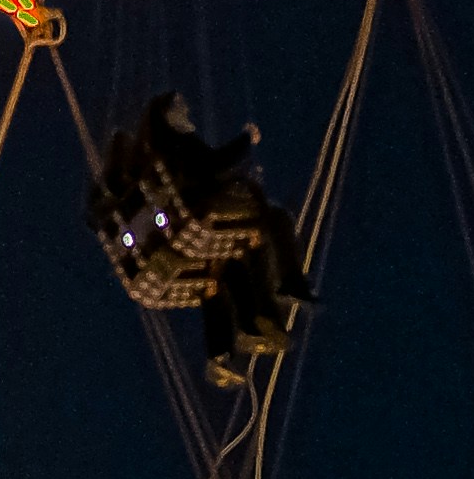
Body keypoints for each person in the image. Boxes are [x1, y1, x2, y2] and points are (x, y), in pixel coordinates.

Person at [90, 97, 309, 384]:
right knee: (261, 234)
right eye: (180, 106)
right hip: (191, 212)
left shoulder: (144, 163)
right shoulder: (177, 145)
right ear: (167, 116)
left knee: (221, 273)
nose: (187, 110)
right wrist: (246, 139)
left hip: (165, 232)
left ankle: (225, 349)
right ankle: (271, 302)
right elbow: (213, 164)